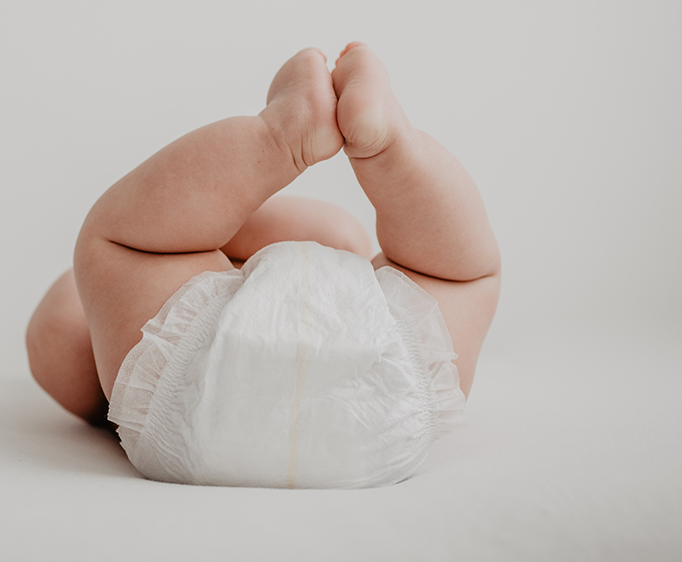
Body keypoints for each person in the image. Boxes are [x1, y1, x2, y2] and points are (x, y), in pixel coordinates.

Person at [26, 43, 500, 488]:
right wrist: (203, 233)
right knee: (458, 273)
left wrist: (187, 247)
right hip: (389, 402)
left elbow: (80, 319)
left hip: (194, 412)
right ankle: (348, 141)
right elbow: (331, 234)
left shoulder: (150, 331)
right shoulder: (331, 254)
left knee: (111, 260)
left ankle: (294, 138)